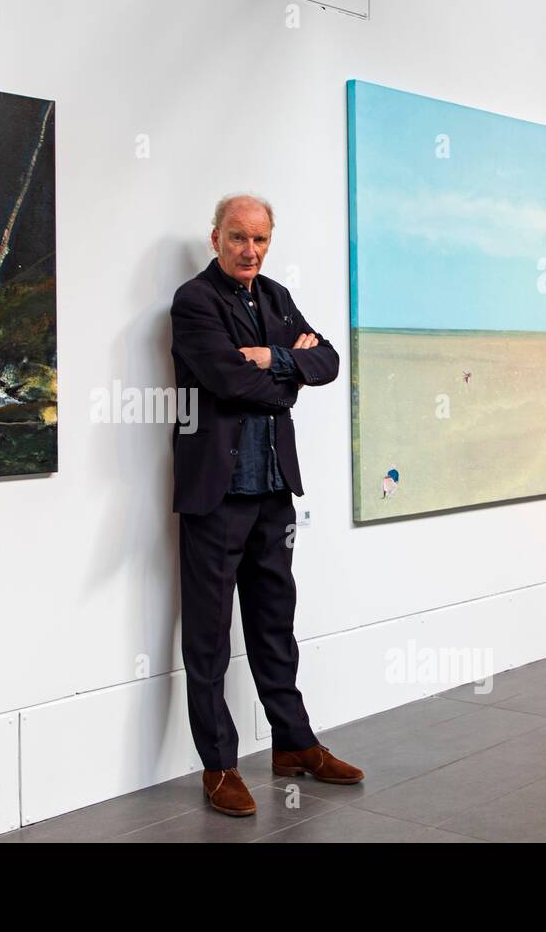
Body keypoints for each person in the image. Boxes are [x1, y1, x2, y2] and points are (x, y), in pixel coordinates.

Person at [169, 193, 364, 817]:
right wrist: (288, 375)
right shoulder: (194, 302)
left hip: (274, 492)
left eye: (259, 239)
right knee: (207, 636)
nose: (248, 250)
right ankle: (219, 765)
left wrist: (277, 357)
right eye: (236, 238)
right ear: (215, 238)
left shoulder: (276, 297)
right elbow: (228, 380)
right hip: (215, 496)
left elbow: (328, 360)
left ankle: (293, 744)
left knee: (274, 623)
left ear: (269, 241)